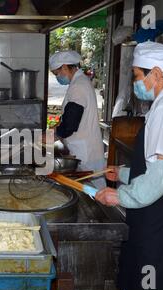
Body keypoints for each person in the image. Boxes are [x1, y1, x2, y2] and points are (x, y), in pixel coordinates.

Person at [95, 41, 163, 290]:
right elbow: (155, 167)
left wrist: (120, 196)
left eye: (136, 75)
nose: (135, 82)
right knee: (144, 284)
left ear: (155, 73)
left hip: (162, 217)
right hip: (155, 211)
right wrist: (123, 174)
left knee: (152, 289)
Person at [49, 51, 105, 188]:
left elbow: (70, 124)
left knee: (94, 189)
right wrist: (56, 127)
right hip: (83, 147)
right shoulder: (79, 82)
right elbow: (70, 115)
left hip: (85, 151)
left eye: (57, 74)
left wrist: (53, 135)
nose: (58, 77)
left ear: (64, 67)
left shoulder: (79, 86)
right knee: (93, 186)